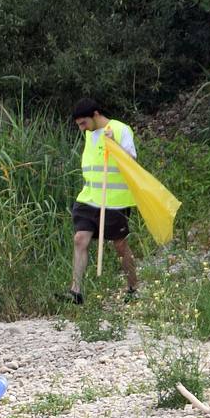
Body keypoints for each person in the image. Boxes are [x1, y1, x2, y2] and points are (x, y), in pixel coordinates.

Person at [65, 98, 139, 304]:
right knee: (80, 238)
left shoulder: (119, 129)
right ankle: (76, 292)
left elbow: (132, 161)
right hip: (88, 197)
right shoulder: (89, 135)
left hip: (113, 200)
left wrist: (113, 145)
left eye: (83, 123)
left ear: (96, 115)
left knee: (120, 246)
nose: (82, 129)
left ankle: (133, 288)